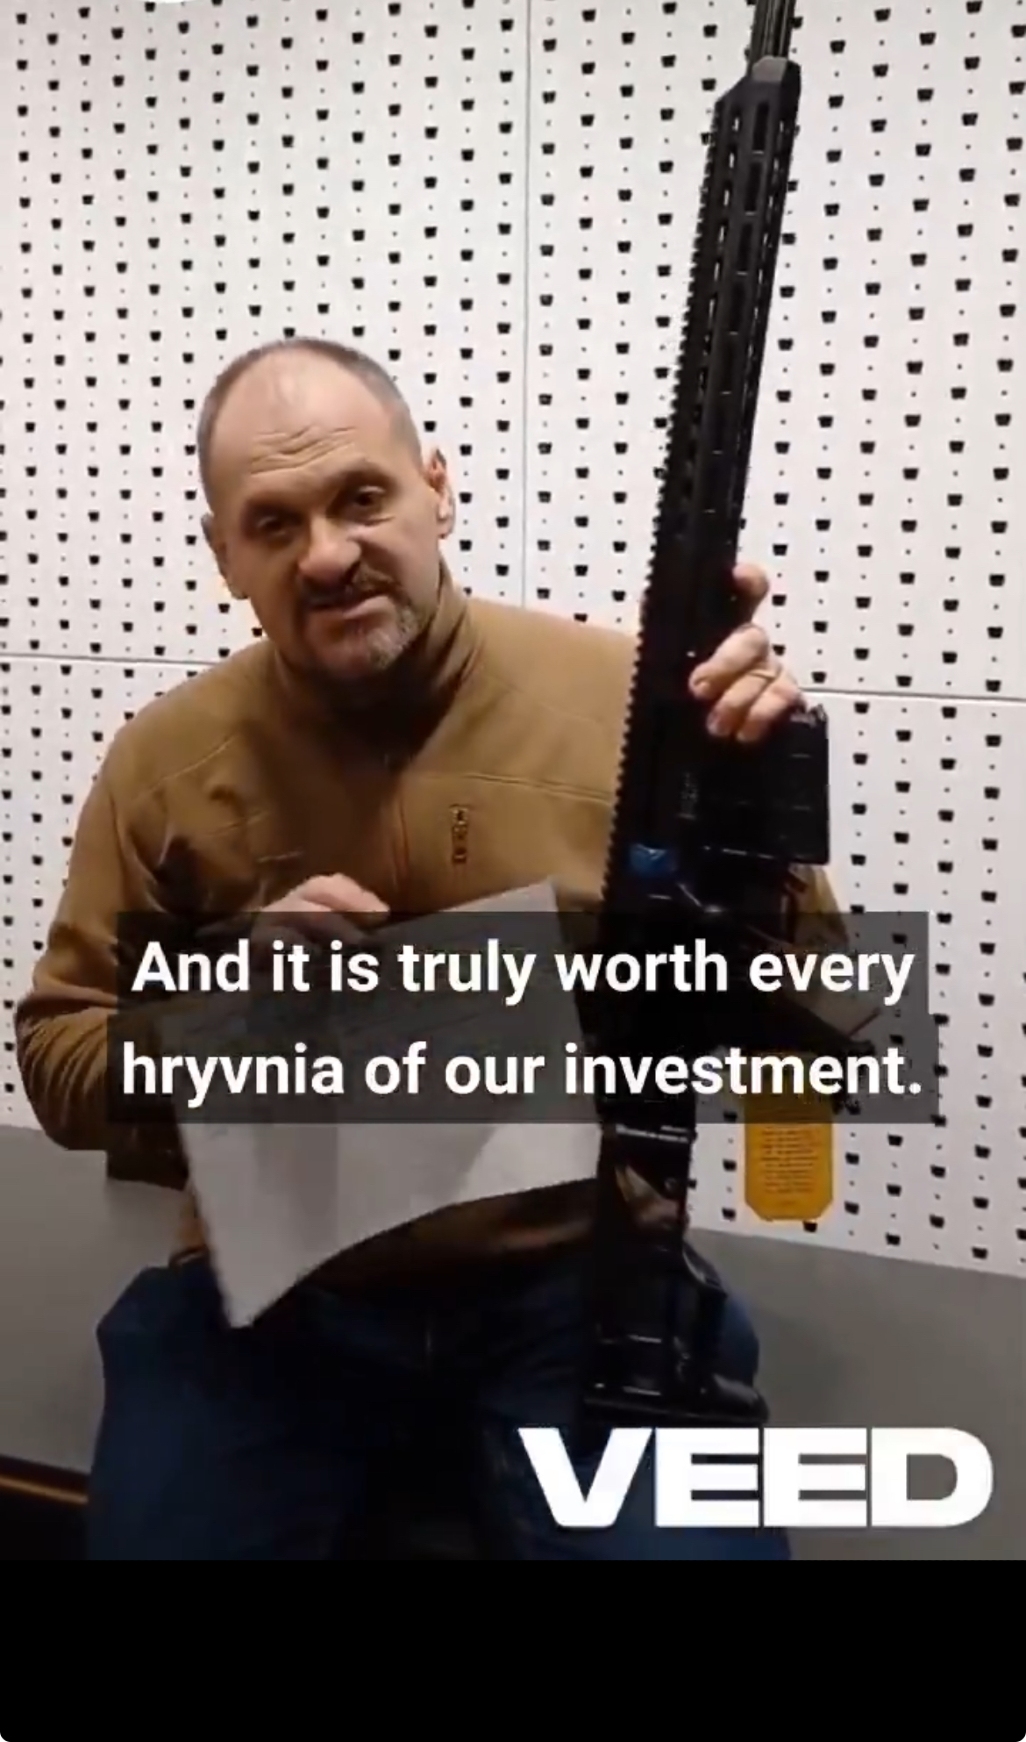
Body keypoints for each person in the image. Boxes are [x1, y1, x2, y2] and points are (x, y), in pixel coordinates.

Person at [16, 336, 840, 1561]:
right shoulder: (164, 762)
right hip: (277, 1308)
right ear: (224, 553)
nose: (327, 553)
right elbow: (61, 1059)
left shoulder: (633, 709)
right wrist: (226, 1017)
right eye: (273, 522)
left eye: (361, 496)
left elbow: (826, 1022)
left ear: (436, 489)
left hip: (575, 1291)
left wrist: (758, 818)